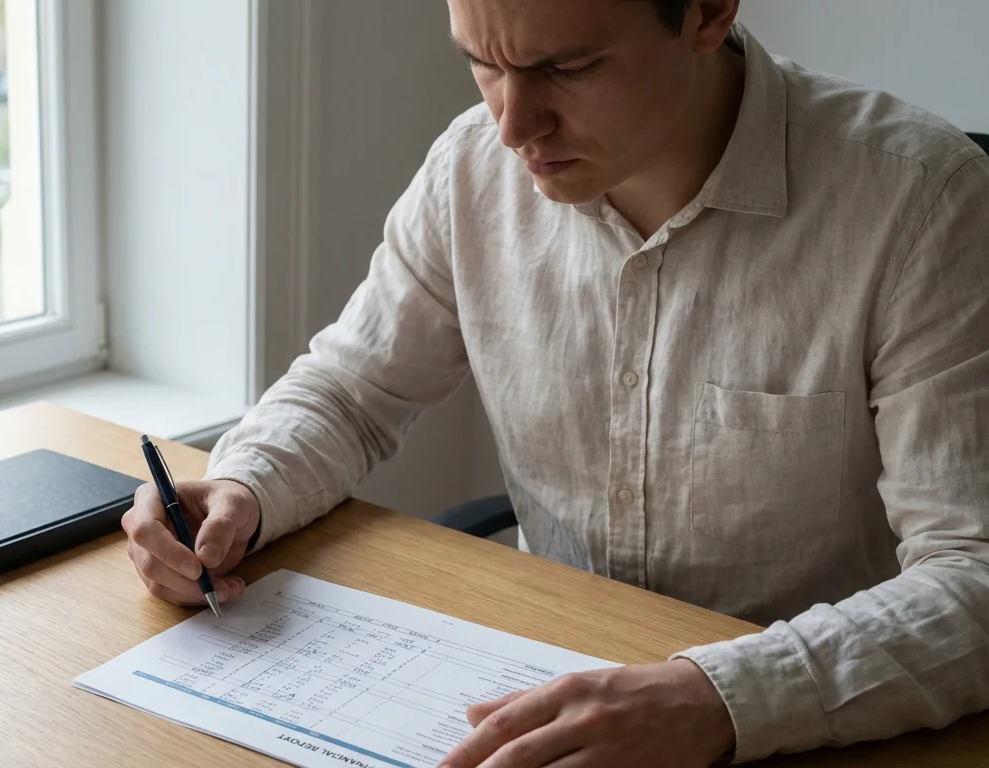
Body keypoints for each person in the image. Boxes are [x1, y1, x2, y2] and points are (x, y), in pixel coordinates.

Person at [120, 0, 989, 764]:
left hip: (812, 721)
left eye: (565, 69)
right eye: (481, 62)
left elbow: (973, 579)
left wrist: (715, 699)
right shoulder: (471, 170)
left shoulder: (922, 203)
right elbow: (350, 386)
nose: (511, 125)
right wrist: (245, 484)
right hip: (538, 677)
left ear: (709, 12)